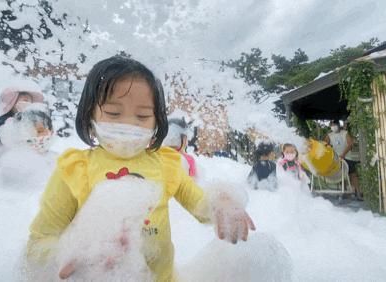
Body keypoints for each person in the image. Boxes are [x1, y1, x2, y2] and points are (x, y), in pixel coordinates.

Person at [26, 56, 255, 281]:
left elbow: (199, 204)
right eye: (114, 113)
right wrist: (68, 257)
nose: (128, 124)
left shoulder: (165, 164)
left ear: (157, 122)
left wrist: (222, 203)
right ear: (90, 116)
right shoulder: (76, 168)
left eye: (143, 116)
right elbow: (41, 238)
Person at [0, 87, 44, 156]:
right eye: (25, 101)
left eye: (30, 102)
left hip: (29, 157)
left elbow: (42, 140)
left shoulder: (35, 120)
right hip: (6, 158)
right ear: (12, 103)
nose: (27, 104)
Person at [324, 120, 362, 200]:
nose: (333, 127)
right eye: (332, 125)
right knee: (340, 175)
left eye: (335, 125)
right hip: (337, 159)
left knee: (353, 175)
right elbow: (324, 144)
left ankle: (358, 193)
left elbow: (350, 144)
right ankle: (343, 193)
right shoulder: (329, 135)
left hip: (348, 157)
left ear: (338, 125)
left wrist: (343, 154)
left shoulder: (345, 133)